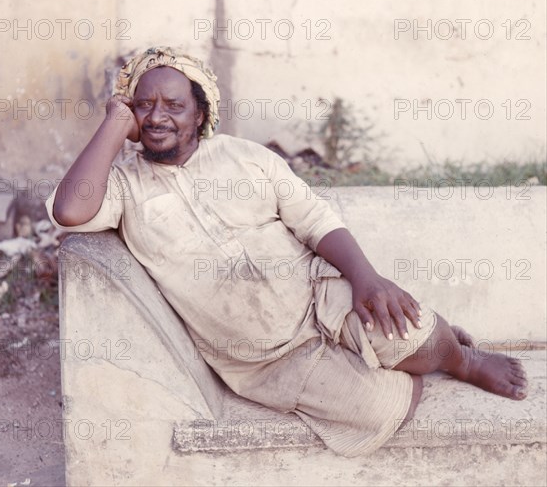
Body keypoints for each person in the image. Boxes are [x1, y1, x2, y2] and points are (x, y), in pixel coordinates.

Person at [45, 46, 528, 457]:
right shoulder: (122, 188)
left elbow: (315, 220)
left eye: (173, 104)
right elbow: (69, 210)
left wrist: (365, 277)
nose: (157, 117)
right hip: (260, 357)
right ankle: (409, 360)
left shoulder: (245, 157)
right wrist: (113, 124)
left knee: (411, 331)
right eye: (143, 105)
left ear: (199, 112)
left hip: (319, 293)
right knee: (377, 411)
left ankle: (460, 359)